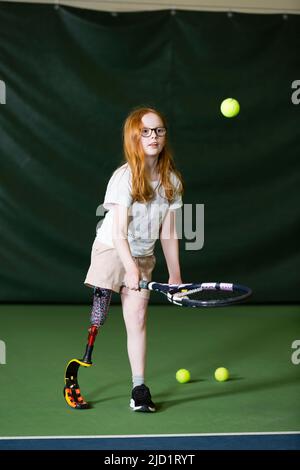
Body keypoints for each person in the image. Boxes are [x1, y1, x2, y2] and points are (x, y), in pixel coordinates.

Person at [80, 107, 183, 412]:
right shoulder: (123, 178)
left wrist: (175, 275)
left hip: (144, 255)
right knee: (100, 314)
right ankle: (82, 360)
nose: (154, 137)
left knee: (137, 319)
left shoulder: (172, 181)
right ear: (134, 137)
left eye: (159, 130)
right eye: (146, 131)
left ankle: (139, 388)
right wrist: (128, 269)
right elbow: (120, 234)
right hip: (112, 249)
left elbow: (169, 233)